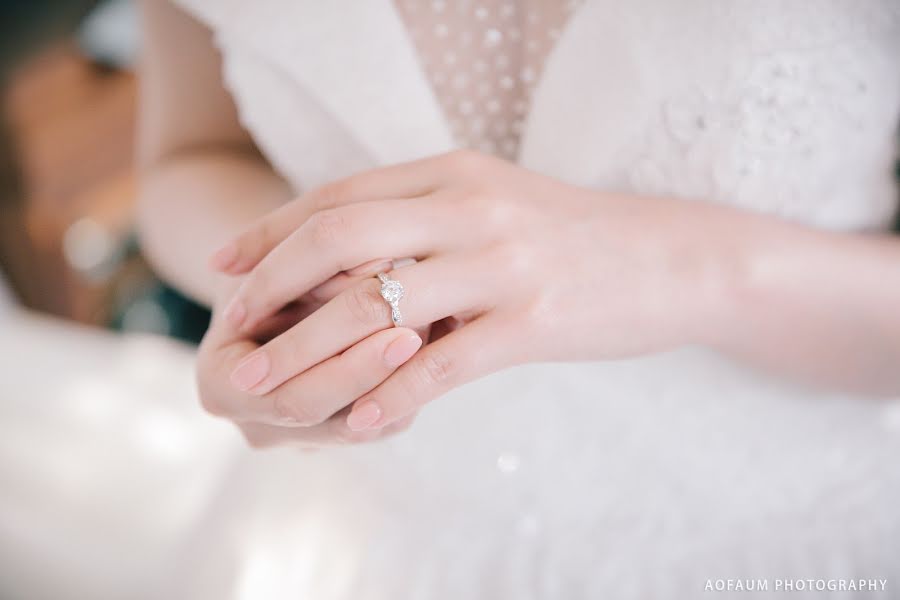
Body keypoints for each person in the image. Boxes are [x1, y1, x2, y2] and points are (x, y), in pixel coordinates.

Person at [137, 1, 900, 597]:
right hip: (381, 520)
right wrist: (274, 297)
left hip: (782, 530)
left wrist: (680, 264)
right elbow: (188, 157)